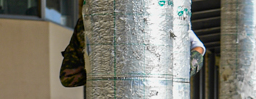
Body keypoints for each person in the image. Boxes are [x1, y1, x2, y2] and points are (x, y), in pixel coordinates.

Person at [59, 13, 206, 87]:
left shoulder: (163, 11)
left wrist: (180, 72)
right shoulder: (94, 16)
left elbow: (197, 47)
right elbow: (68, 77)